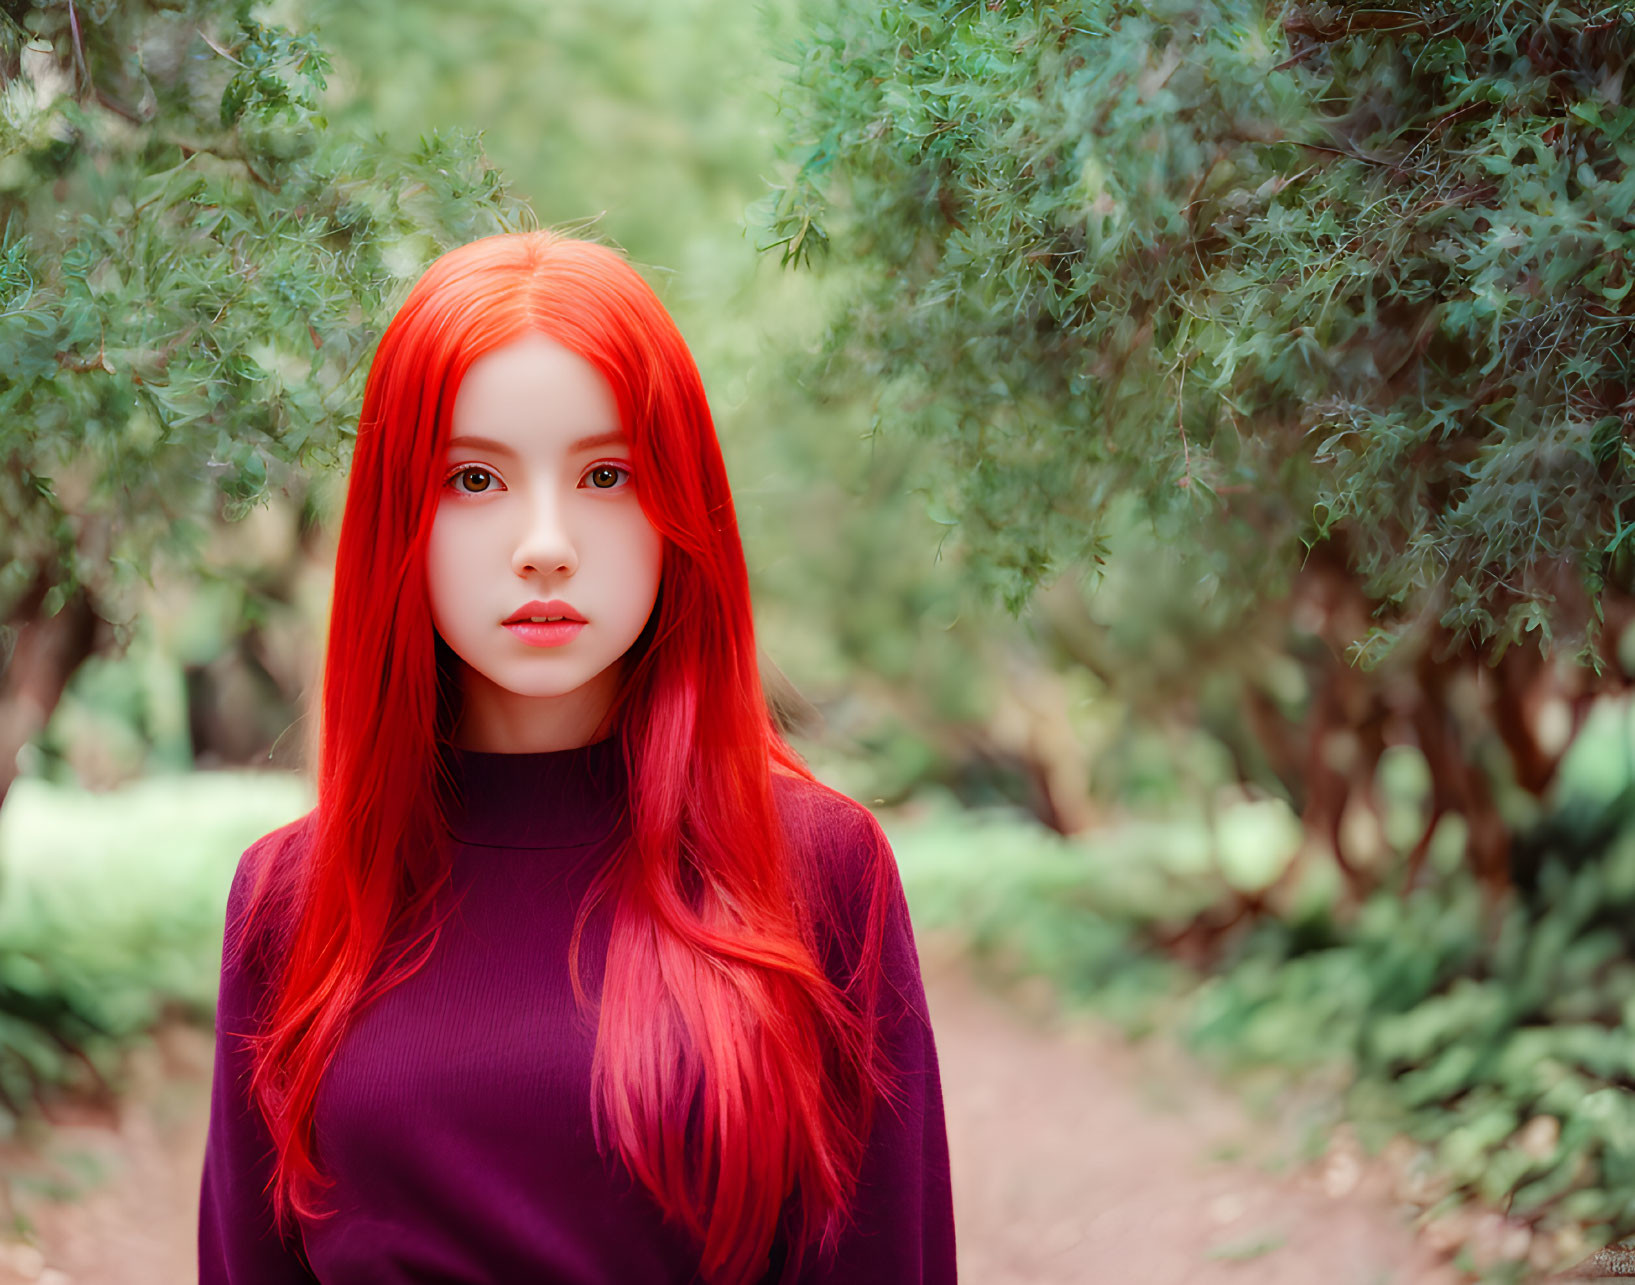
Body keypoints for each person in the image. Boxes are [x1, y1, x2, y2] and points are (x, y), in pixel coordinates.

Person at [196, 229, 958, 1284]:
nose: (543, 540)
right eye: (473, 477)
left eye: (606, 474)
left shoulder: (821, 872)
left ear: (680, 511)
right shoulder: (290, 898)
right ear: (396, 520)